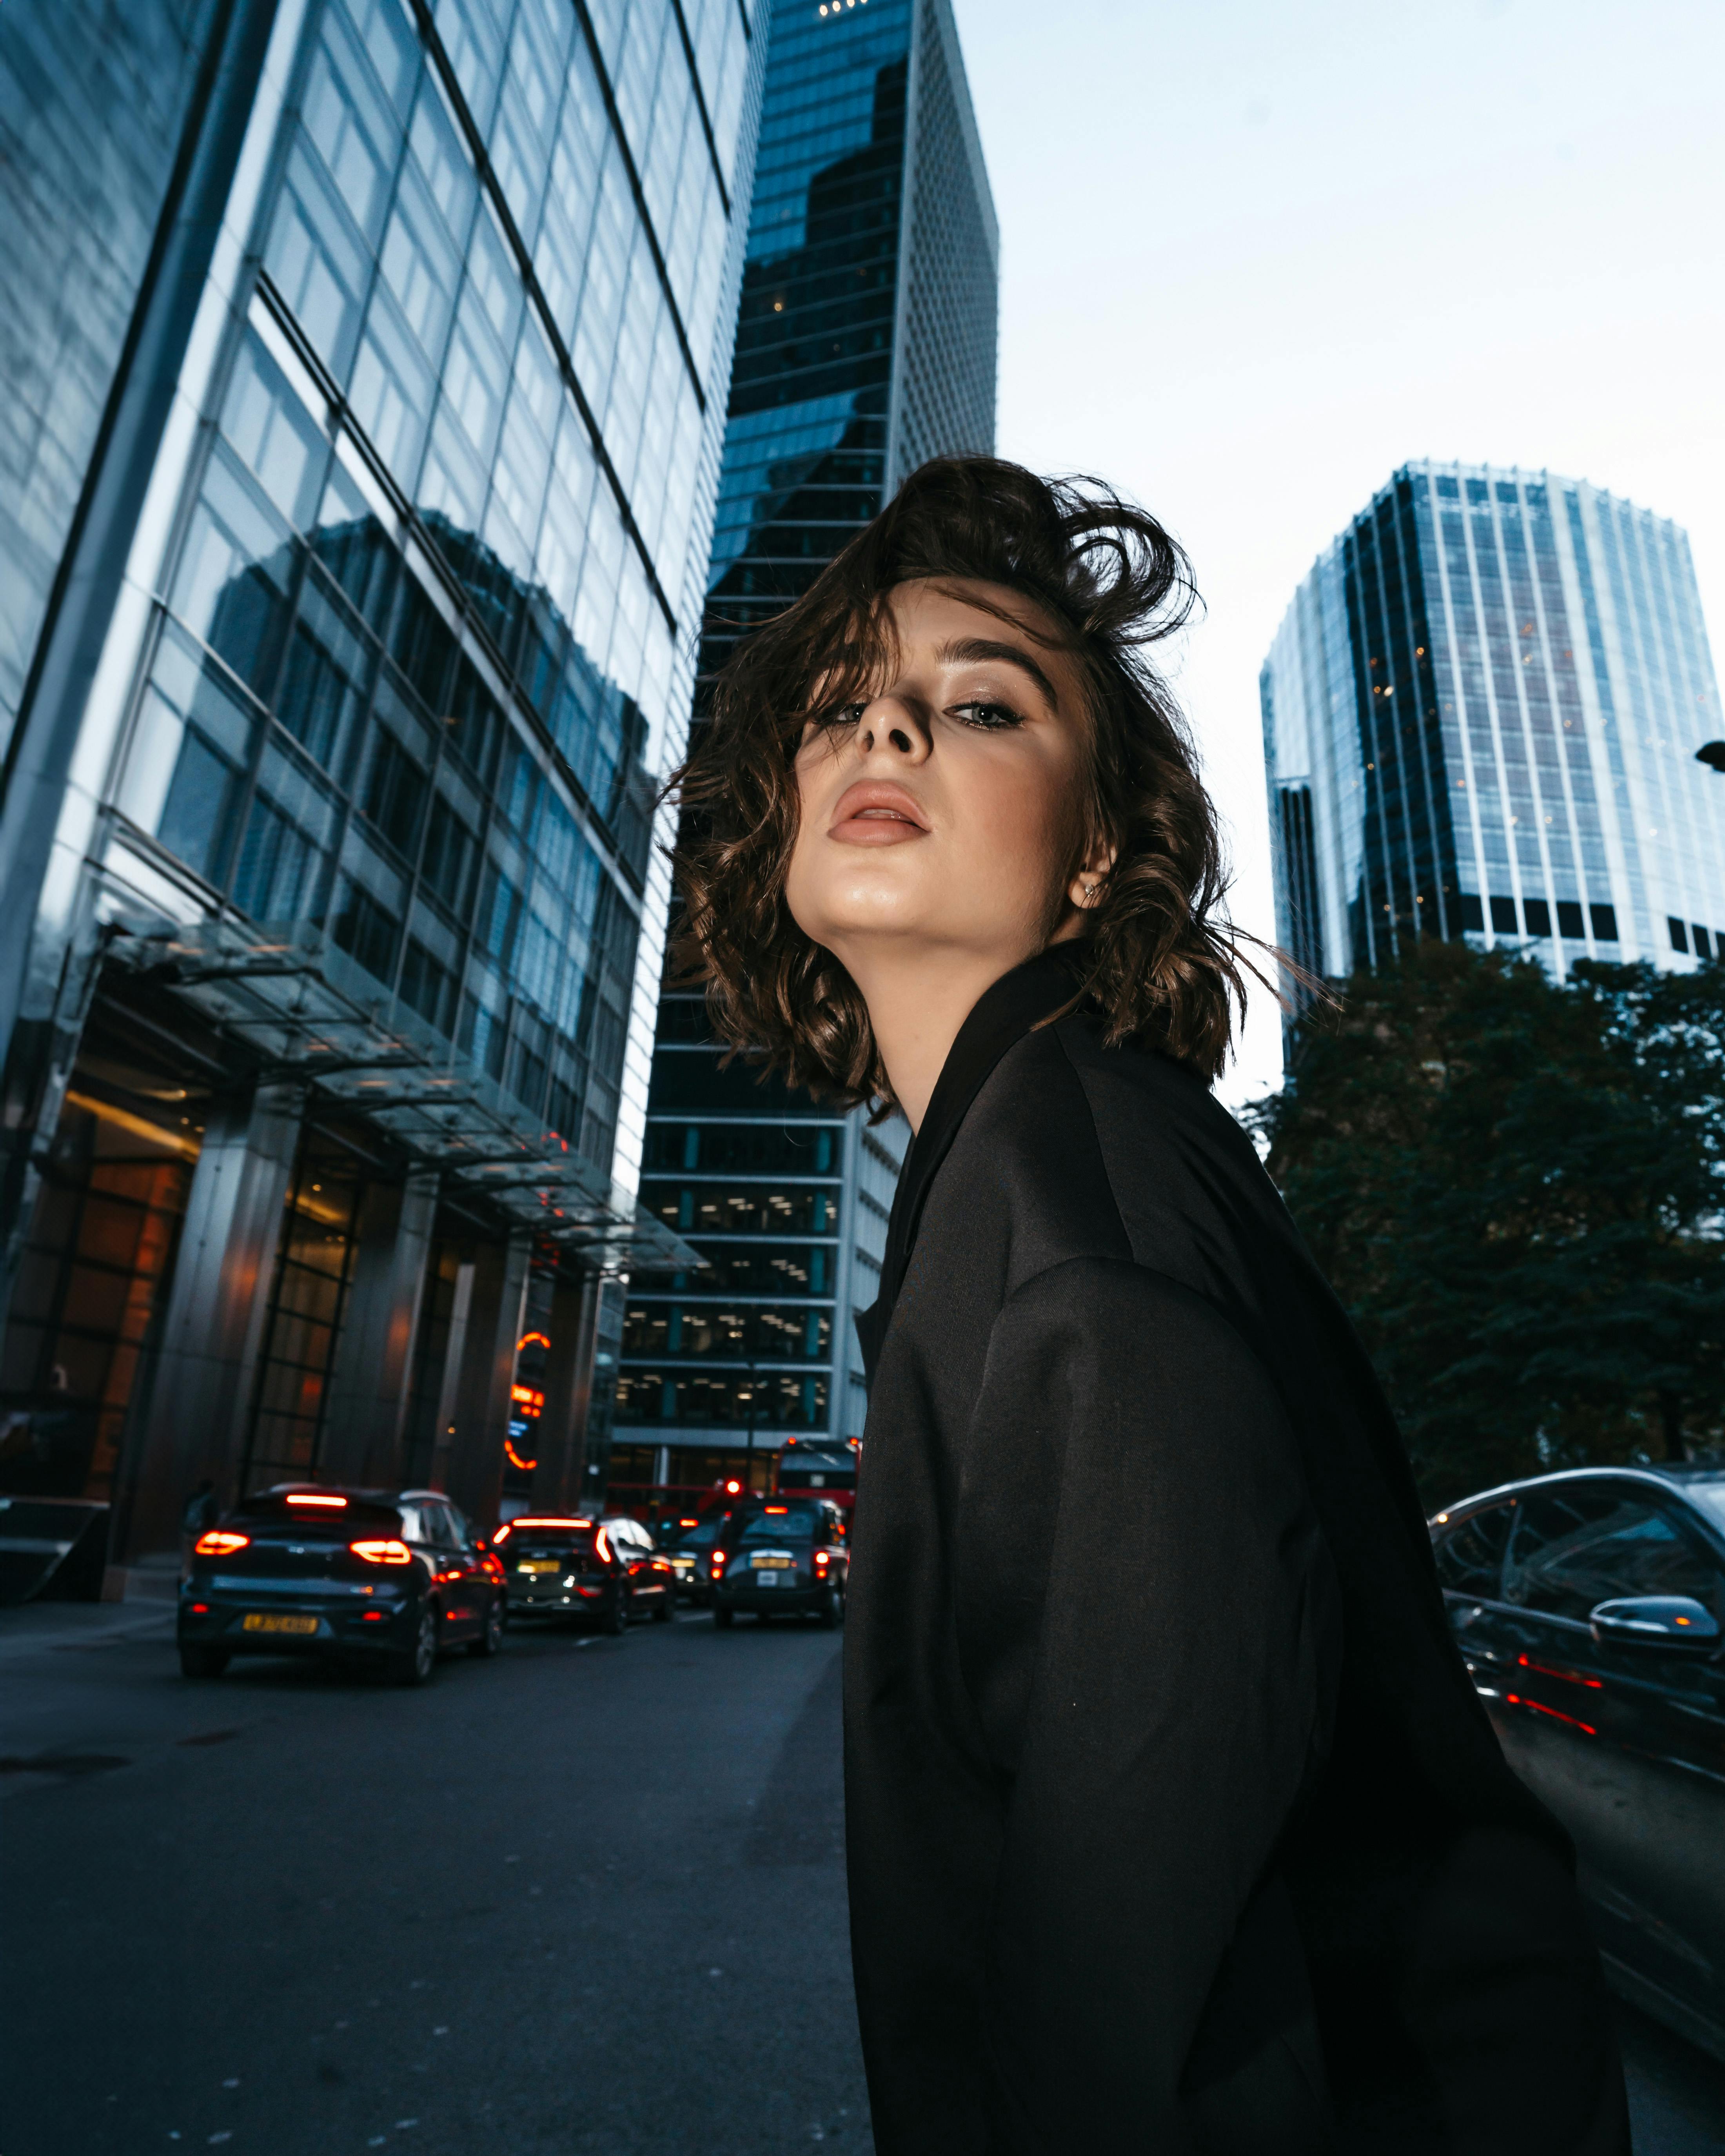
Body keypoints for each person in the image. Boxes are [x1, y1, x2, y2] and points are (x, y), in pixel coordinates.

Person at [670, 459, 1628, 2154]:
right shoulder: (1041, 1151)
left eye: (975, 705)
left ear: (1102, 852)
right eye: (838, 707)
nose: (880, 735)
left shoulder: (1072, 1213)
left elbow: (1162, 2013)